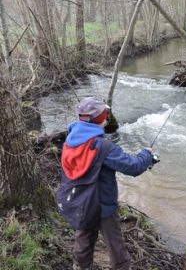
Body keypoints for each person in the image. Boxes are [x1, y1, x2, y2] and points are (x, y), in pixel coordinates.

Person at [60, 97, 155, 270]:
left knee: (83, 237)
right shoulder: (104, 146)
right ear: (102, 119)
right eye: (105, 113)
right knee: (114, 243)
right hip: (103, 206)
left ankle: (80, 266)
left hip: (80, 203)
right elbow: (133, 167)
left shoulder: (69, 141)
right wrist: (146, 154)